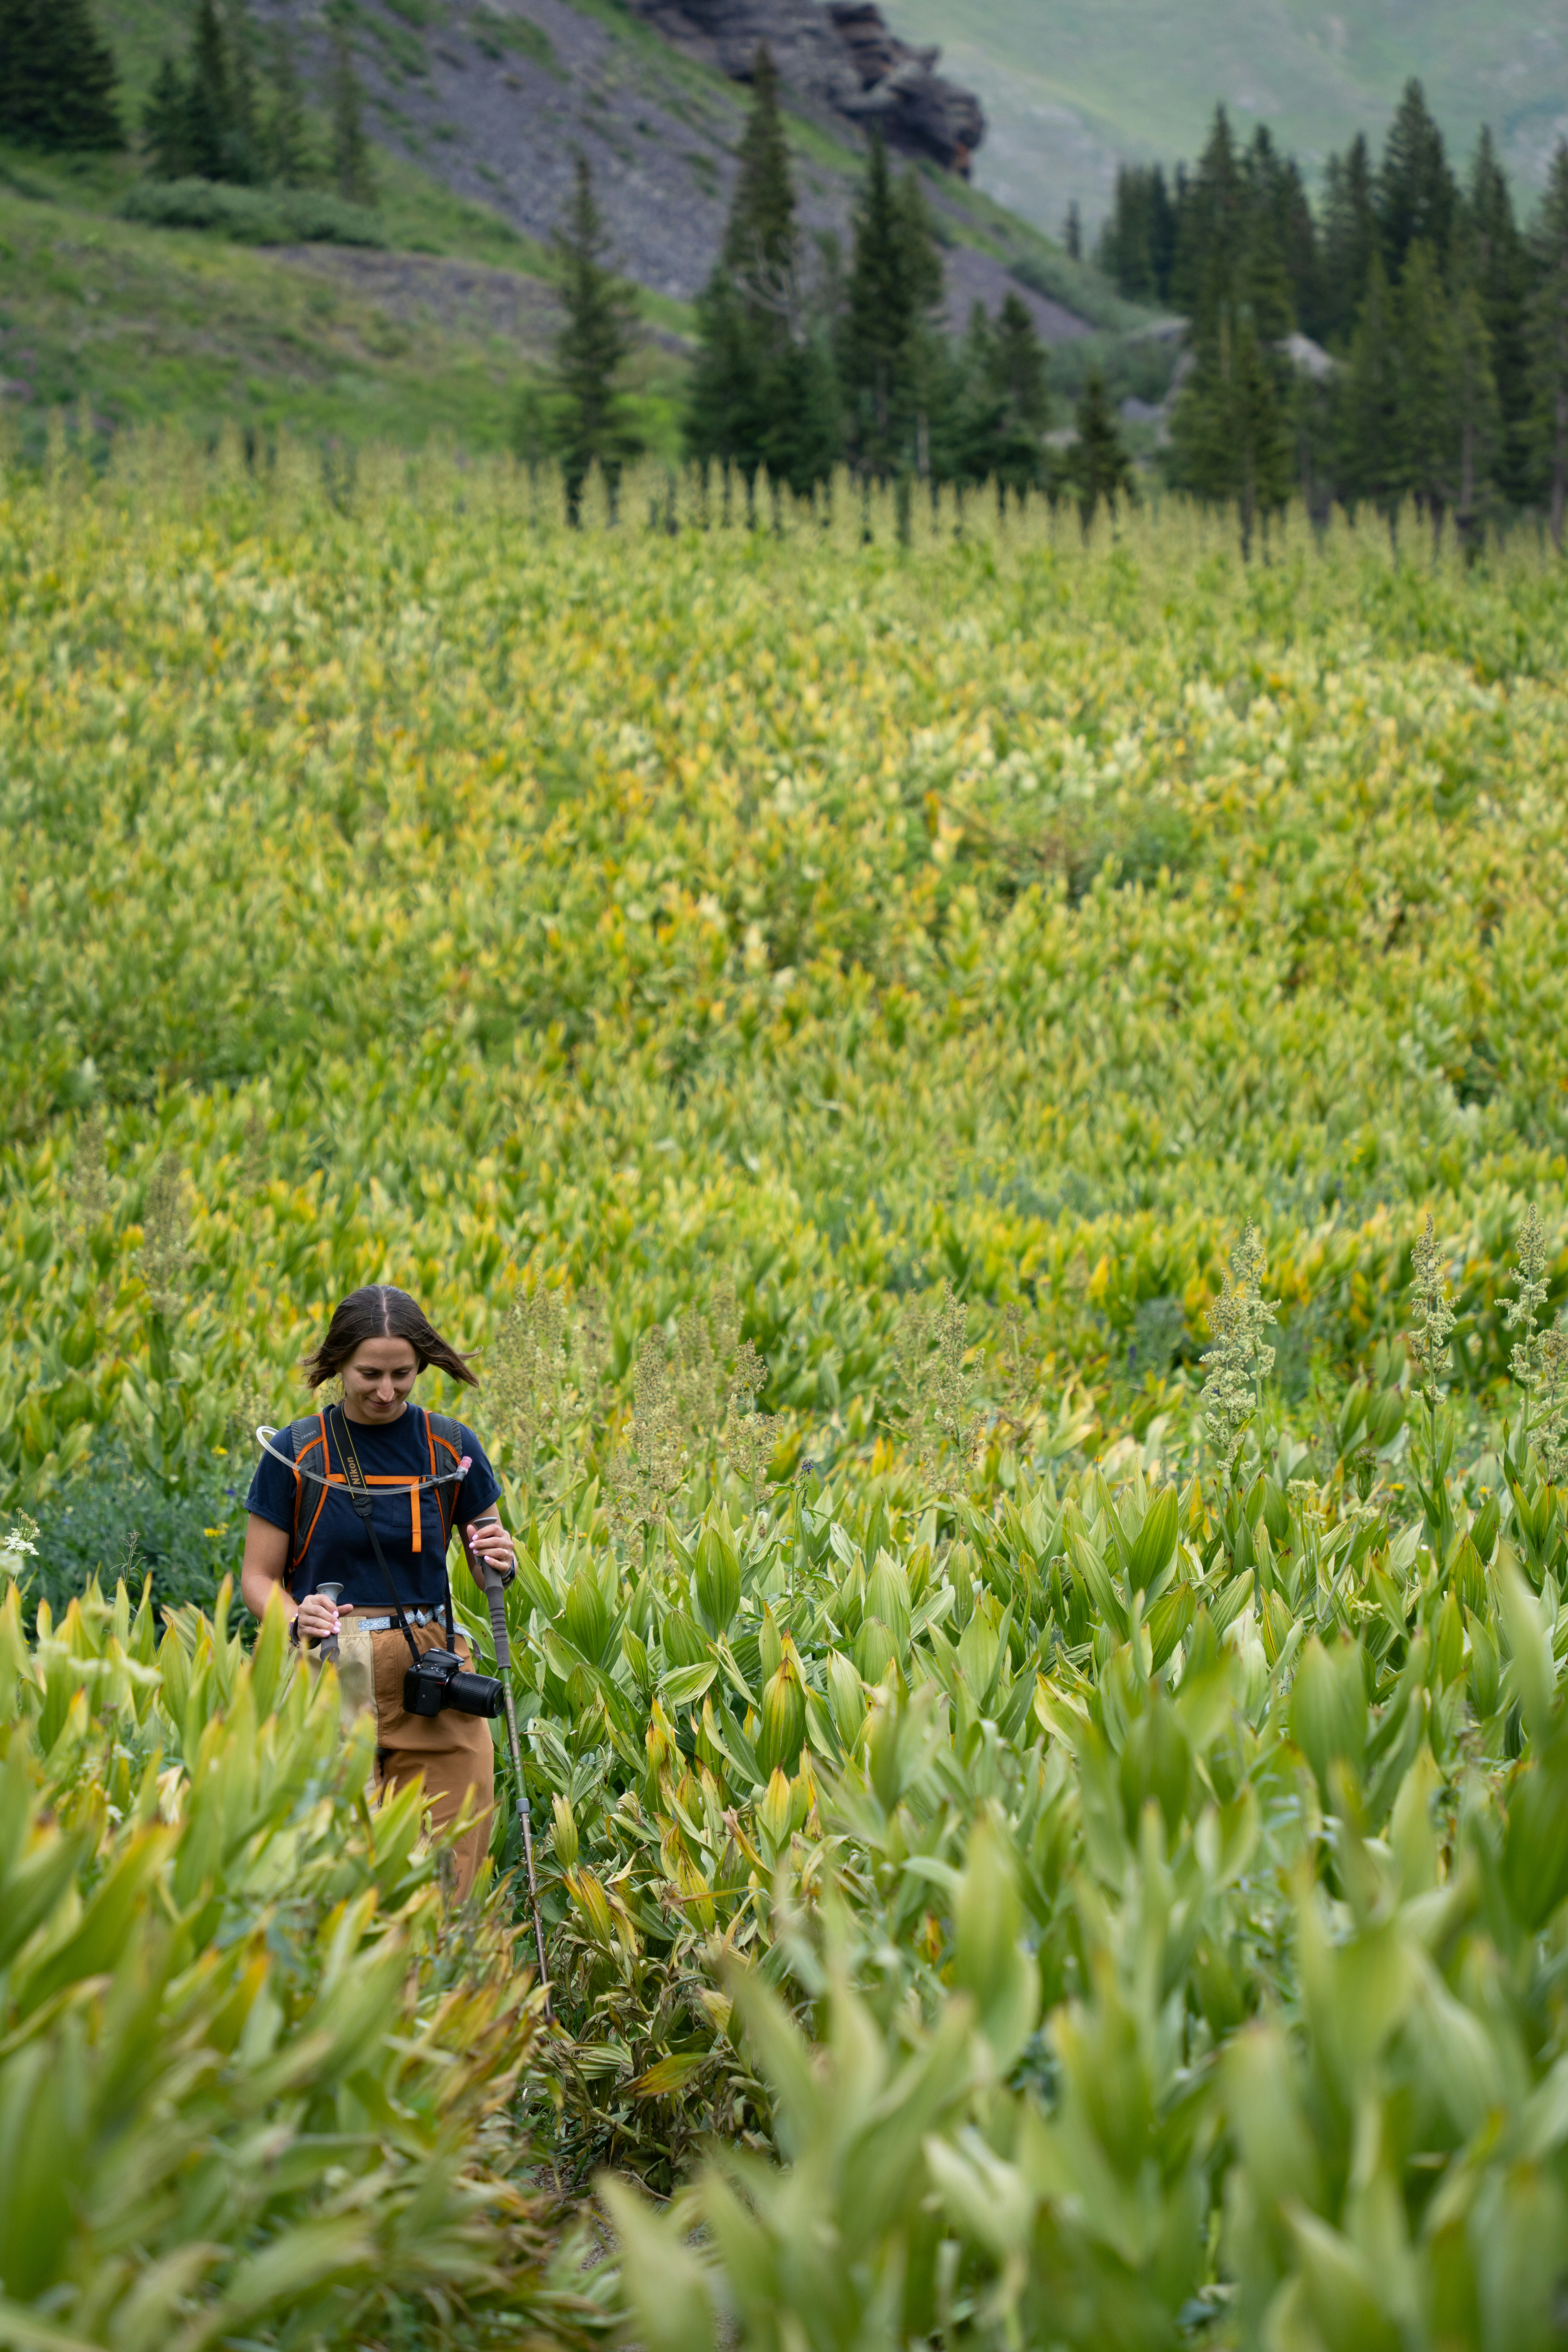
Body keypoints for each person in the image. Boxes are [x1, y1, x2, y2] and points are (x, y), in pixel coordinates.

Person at [241, 1284, 515, 1900]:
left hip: (434, 1666)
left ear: (422, 1366)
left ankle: (441, 1987)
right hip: (334, 1663)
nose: (386, 1391)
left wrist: (499, 1556)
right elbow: (258, 1578)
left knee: (450, 1869)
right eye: (369, 1374)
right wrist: (296, 1617)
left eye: (402, 1374)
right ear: (337, 1363)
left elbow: (486, 1556)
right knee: (341, 1869)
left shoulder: (452, 1445)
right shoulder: (296, 1450)